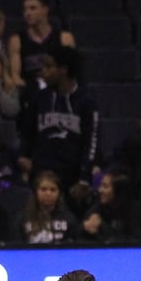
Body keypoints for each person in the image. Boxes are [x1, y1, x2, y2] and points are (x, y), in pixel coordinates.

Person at [18, 46, 98, 199]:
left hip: (71, 177)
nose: (43, 71)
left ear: (63, 70)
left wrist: (84, 179)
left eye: (49, 66)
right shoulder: (39, 98)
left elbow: (91, 142)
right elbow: (26, 131)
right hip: (41, 173)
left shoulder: (86, 102)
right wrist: (23, 155)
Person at [16, 170, 79, 244]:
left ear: (59, 193)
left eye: (53, 190)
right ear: (35, 192)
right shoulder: (22, 218)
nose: (48, 193)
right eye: (43, 189)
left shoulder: (69, 219)